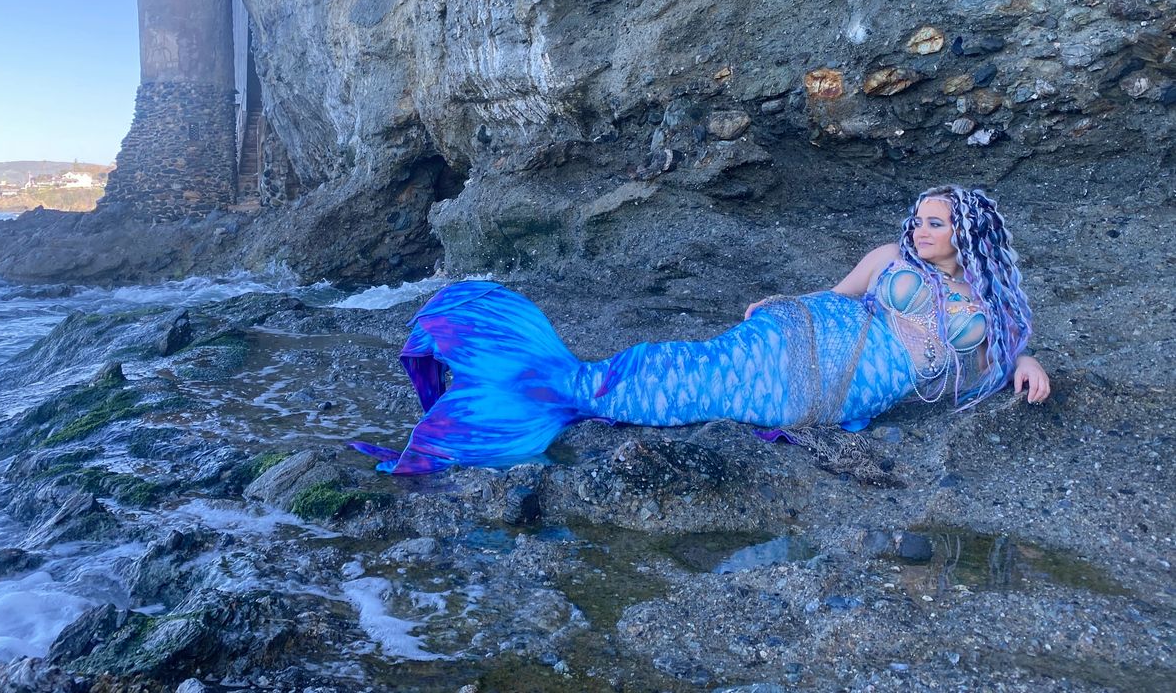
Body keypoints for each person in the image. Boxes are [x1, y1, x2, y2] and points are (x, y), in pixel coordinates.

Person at [353, 185, 1050, 475]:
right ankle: (541, 378)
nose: (922, 230)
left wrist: (1028, 361)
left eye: (936, 221)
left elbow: (1001, 351)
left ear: (971, 230)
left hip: (839, 393)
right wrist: (775, 303)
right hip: (801, 333)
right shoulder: (887, 260)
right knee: (682, 368)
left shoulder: (992, 309)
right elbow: (831, 296)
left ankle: (519, 390)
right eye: (920, 219)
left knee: (705, 400)